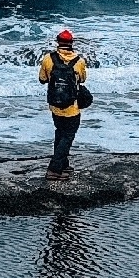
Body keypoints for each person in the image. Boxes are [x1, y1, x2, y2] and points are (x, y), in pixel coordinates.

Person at [38, 26, 89, 177]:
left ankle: (63, 164)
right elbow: (82, 79)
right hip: (72, 107)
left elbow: (42, 79)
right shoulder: (79, 61)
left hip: (54, 105)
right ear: (71, 43)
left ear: (58, 42)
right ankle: (54, 170)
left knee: (60, 133)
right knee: (68, 136)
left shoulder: (48, 58)